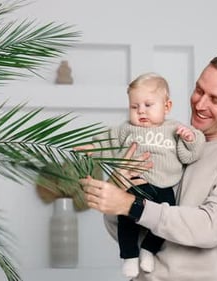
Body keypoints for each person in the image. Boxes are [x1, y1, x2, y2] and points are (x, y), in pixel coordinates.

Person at [79, 51, 217, 281]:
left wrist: (132, 205)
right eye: (199, 90)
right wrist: (116, 197)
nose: (200, 103)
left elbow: (211, 226)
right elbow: (127, 231)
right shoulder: (163, 139)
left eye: (215, 99)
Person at [76, 72, 205, 278]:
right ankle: (129, 256)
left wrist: (190, 138)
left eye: (148, 105)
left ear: (167, 107)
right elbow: (108, 142)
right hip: (136, 185)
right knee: (126, 220)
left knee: (165, 220)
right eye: (134, 107)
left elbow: (190, 154)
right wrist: (91, 147)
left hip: (163, 187)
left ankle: (148, 250)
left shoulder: (174, 128)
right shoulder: (127, 129)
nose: (140, 111)